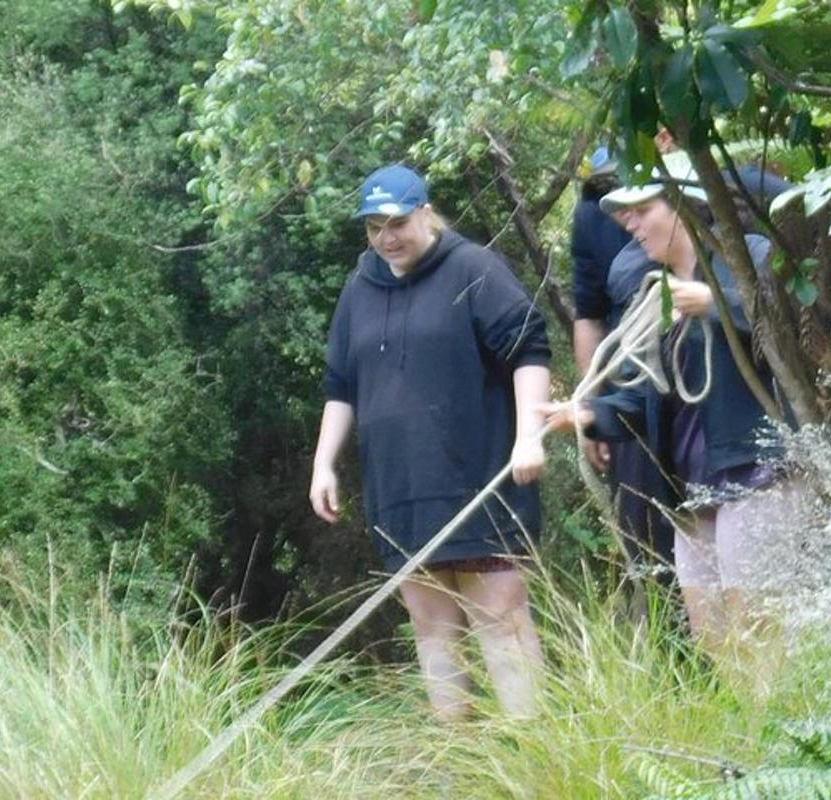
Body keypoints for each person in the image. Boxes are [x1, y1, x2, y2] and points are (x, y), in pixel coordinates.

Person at [310, 164, 551, 719]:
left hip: (480, 477)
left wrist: (528, 437)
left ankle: (536, 755)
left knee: (501, 620)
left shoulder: (472, 267)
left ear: (425, 211)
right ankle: (458, 761)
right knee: (431, 627)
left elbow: (529, 350)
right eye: (373, 227)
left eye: (396, 221)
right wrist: (324, 465)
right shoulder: (359, 289)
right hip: (400, 487)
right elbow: (339, 387)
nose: (386, 237)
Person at [544, 167, 801, 662]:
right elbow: (645, 397)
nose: (631, 225)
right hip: (691, 495)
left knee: (762, 636)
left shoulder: (750, 260)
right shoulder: (654, 294)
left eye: (642, 212)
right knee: (715, 641)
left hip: (757, 473)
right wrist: (585, 415)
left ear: (685, 206)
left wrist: (717, 305)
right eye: (626, 215)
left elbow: (798, 338)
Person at [570, 147, 675, 568]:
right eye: (608, 189)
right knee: (647, 541)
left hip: (695, 373)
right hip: (631, 379)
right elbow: (588, 315)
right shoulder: (591, 214)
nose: (621, 206)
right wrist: (591, 407)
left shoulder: (701, 194)